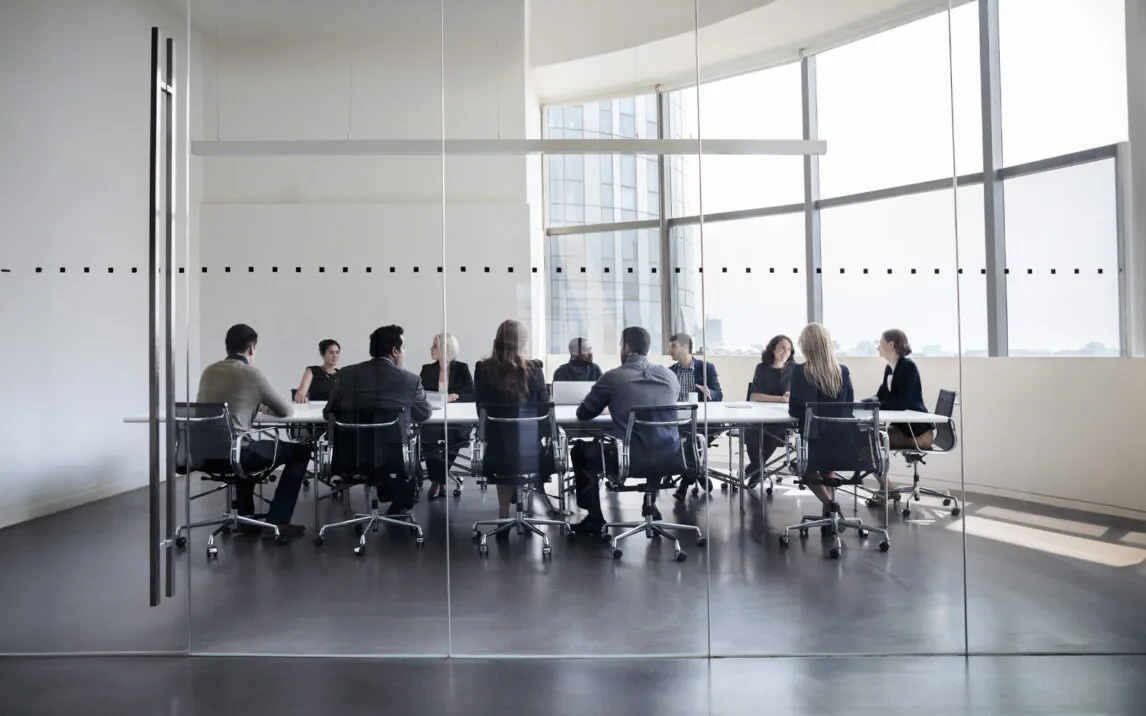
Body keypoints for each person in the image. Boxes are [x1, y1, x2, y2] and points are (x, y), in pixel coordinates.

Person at [195, 323, 309, 537]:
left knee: (244, 446)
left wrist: (253, 405)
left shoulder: (208, 371)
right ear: (251, 349)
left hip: (201, 452)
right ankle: (278, 521)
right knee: (300, 452)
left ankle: (246, 516)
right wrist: (265, 407)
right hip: (236, 452)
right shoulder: (250, 373)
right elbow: (286, 410)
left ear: (227, 347)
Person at [570, 326, 680, 536]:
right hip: (670, 456)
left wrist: (609, 404)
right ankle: (650, 500)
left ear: (627, 348)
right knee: (655, 441)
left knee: (580, 450)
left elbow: (584, 413)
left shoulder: (613, 377)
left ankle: (594, 518)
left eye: (621, 345)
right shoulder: (669, 376)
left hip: (628, 458)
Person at [324, 325, 433, 515]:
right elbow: (424, 414)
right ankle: (398, 504)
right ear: (395, 351)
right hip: (395, 458)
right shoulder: (409, 380)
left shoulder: (347, 374)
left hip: (352, 455)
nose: (404, 352)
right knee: (408, 449)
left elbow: (329, 412)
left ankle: (389, 494)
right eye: (404, 347)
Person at [473, 320, 549, 520]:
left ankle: (503, 512)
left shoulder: (483, 369)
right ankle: (525, 508)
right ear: (524, 341)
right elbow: (544, 409)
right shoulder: (535, 369)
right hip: (530, 450)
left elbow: (480, 411)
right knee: (522, 448)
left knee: (504, 456)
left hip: (496, 449)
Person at [788, 322, 855, 511]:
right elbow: (849, 407)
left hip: (813, 442)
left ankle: (829, 503)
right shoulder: (842, 371)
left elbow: (794, 411)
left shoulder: (800, 371)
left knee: (806, 468)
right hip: (842, 441)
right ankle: (830, 510)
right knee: (827, 464)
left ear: (805, 346)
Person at [865, 328, 935, 504]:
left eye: (880, 344)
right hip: (904, 429)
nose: (877, 348)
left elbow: (900, 405)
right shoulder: (890, 368)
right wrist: (861, 402)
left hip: (918, 434)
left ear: (891, 344)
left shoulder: (908, 367)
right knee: (867, 438)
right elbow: (880, 396)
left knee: (869, 443)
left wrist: (872, 405)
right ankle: (888, 489)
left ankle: (887, 489)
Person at [419, 332, 474, 499]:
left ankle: (437, 481)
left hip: (455, 418)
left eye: (434, 346)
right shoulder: (427, 369)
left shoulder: (461, 368)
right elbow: (420, 394)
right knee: (427, 436)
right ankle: (440, 480)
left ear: (445, 349)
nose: (431, 349)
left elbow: (472, 394)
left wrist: (456, 397)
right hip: (434, 417)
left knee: (454, 434)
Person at [744, 334, 795, 486]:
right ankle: (757, 470)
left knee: (774, 433)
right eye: (782, 348)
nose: (785, 352)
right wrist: (780, 399)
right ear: (773, 349)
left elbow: (799, 393)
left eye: (789, 349)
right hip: (760, 414)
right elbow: (756, 396)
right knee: (750, 432)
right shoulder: (761, 368)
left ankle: (754, 469)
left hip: (783, 417)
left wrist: (792, 395)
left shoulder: (795, 369)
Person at [667, 333, 722, 403]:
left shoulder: (706, 368)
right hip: (677, 412)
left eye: (674, 346)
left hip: (699, 412)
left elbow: (719, 395)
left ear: (685, 348)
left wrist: (709, 393)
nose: (670, 350)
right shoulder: (670, 371)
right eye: (670, 347)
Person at [294, 339, 340, 403]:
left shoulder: (342, 374)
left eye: (337, 352)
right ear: (322, 354)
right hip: (316, 410)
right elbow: (300, 394)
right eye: (331, 352)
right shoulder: (312, 371)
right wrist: (301, 396)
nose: (335, 356)